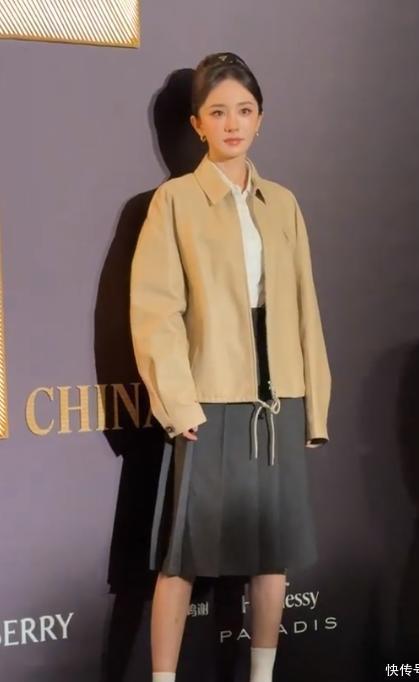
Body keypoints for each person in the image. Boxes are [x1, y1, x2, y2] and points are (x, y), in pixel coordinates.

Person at [130, 51, 331, 682]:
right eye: (218, 112)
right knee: (182, 557)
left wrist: (313, 406)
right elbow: (155, 310)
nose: (233, 123)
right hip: (208, 400)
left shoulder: (284, 203)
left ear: (260, 118)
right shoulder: (174, 202)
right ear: (197, 124)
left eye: (244, 110)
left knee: (273, 554)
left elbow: (305, 307)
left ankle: (262, 677)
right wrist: (177, 401)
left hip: (279, 398)